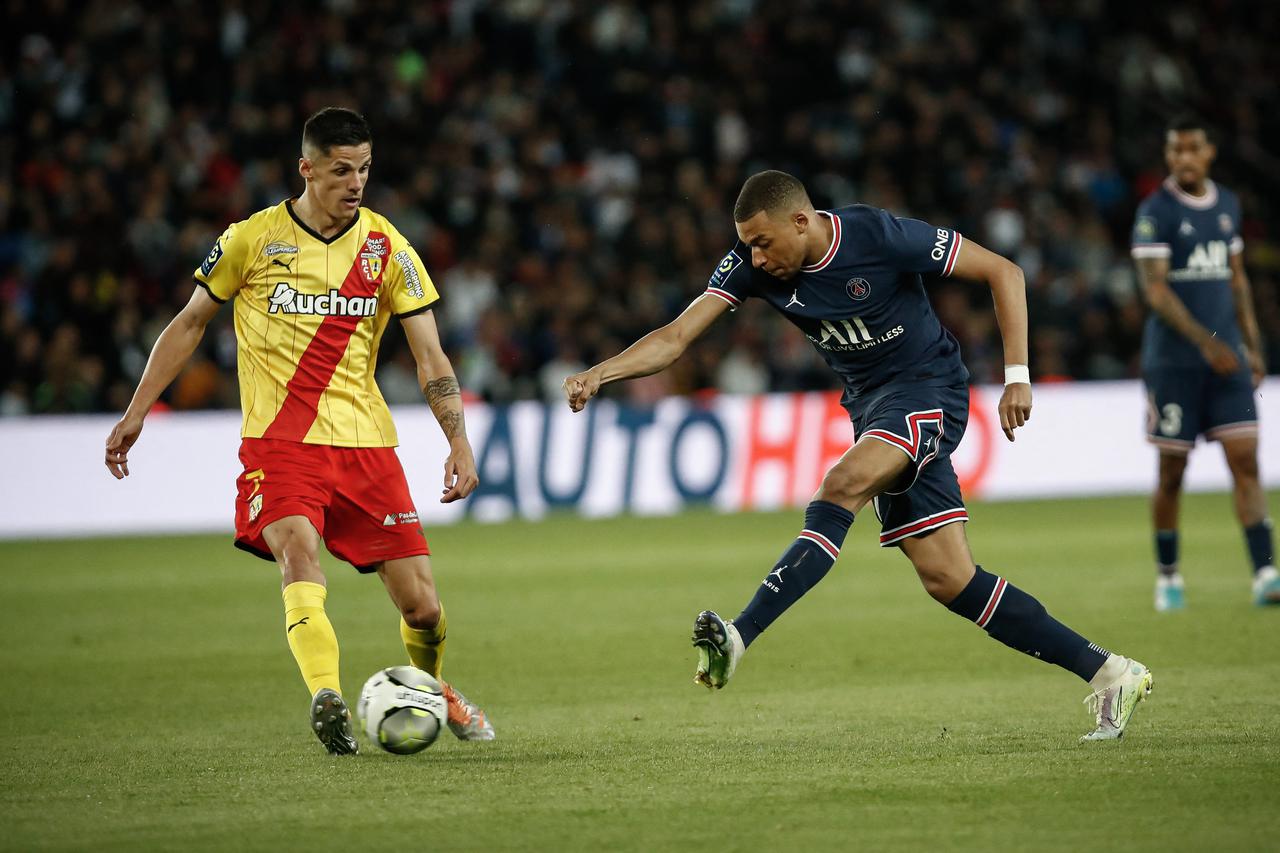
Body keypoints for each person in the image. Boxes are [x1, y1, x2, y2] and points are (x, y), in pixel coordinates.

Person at [564, 170, 1152, 741]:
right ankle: (1111, 673)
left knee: (839, 486)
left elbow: (1004, 271)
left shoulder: (878, 236)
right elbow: (675, 336)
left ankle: (739, 636)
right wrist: (601, 372)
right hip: (873, 412)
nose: (757, 258)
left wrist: (1019, 375)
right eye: (748, 245)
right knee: (951, 579)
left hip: (930, 392)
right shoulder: (751, 264)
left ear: (802, 220)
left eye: (764, 243)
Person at [104, 107, 495, 754]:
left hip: (367, 444)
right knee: (296, 551)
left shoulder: (387, 246)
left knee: (423, 606)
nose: (356, 182)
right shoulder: (251, 239)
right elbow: (190, 323)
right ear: (306, 168)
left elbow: (431, 356)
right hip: (279, 443)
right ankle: (326, 695)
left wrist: (457, 439)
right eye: (341, 169)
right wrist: (138, 407)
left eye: (365, 169)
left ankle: (430, 689)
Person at [1131, 115, 1277, 611]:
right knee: (1173, 471)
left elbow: (1237, 280)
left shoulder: (1228, 204)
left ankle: (1265, 574)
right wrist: (1208, 341)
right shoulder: (1156, 211)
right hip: (1174, 365)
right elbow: (1154, 289)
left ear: (1210, 152)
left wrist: (1252, 344)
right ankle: (1167, 576)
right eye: (1174, 151)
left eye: (1192, 149)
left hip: (1228, 362)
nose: (1183, 159)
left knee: (1246, 462)